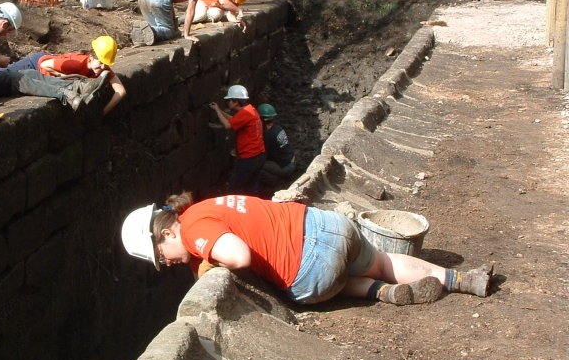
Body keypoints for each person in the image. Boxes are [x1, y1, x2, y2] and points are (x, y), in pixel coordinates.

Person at [121, 192, 494, 306]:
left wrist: (204, 261)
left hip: (312, 270)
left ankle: (378, 293)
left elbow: (239, 257)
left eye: (161, 259)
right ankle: (460, 279)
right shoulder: (204, 207)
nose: (168, 264)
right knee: (380, 260)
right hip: (328, 225)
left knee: (309, 284)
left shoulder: (191, 233)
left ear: (164, 236)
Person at [0, 2, 110, 108]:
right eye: (8, 31)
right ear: (3, 24)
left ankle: (80, 86)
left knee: (30, 73)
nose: (5, 34)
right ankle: (67, 94)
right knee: (20, 78)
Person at [35, 36, 127, 116]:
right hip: (34, 64)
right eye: (101, 62)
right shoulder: (76, 64)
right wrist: (67, 78)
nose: (103, 67)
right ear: (91, 56)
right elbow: (44, 65)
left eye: (106, 64)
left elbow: (120, 91)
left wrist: (103, 112)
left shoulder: (103, 67)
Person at [209, 85, 266, 194]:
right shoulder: (250, 109)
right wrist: (219, 110)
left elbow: (227, 125)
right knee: (251, 189)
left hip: (249, 158)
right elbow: (234, 120)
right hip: (259, 155)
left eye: (229, 100)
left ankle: (230, 209)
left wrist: (217, 111)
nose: (228, 103)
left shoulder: (245, 113)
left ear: (236, 102)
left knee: (232, 189)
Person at [256, 103, 297, 189]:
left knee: (255, 165)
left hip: (285, 168)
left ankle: (276, 182)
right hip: (292, 161)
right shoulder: (278, 128)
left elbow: (263, 155)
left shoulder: (268, 135)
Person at [182, 0, 251, 30]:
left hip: (212, 7)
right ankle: (180, 20)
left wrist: (237, 20)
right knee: (200, 15)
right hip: (201, 0)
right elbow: (223, 1)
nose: (236, 1)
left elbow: (231, 15)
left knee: (216, 15)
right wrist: (239, 10)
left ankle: (202, 18)